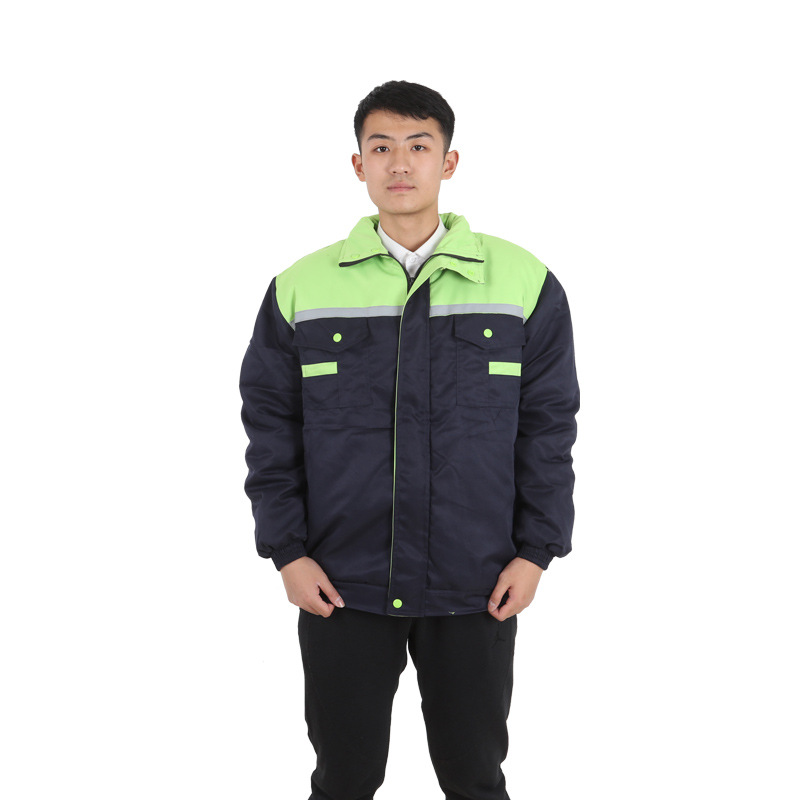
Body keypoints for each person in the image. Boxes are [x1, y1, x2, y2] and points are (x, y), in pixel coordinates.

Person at [239, 79, 580, 800]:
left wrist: (535, 552)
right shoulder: (301, 287)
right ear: (357, 164)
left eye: (419, 146)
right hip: (341, 583)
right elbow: (271, 431)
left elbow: (548, 429)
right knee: (344, 778)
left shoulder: (525, 283)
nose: (400, 163)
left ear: (448, 162)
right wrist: (288, 553)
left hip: (478, 580)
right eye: (381, 147)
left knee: (474, 778)